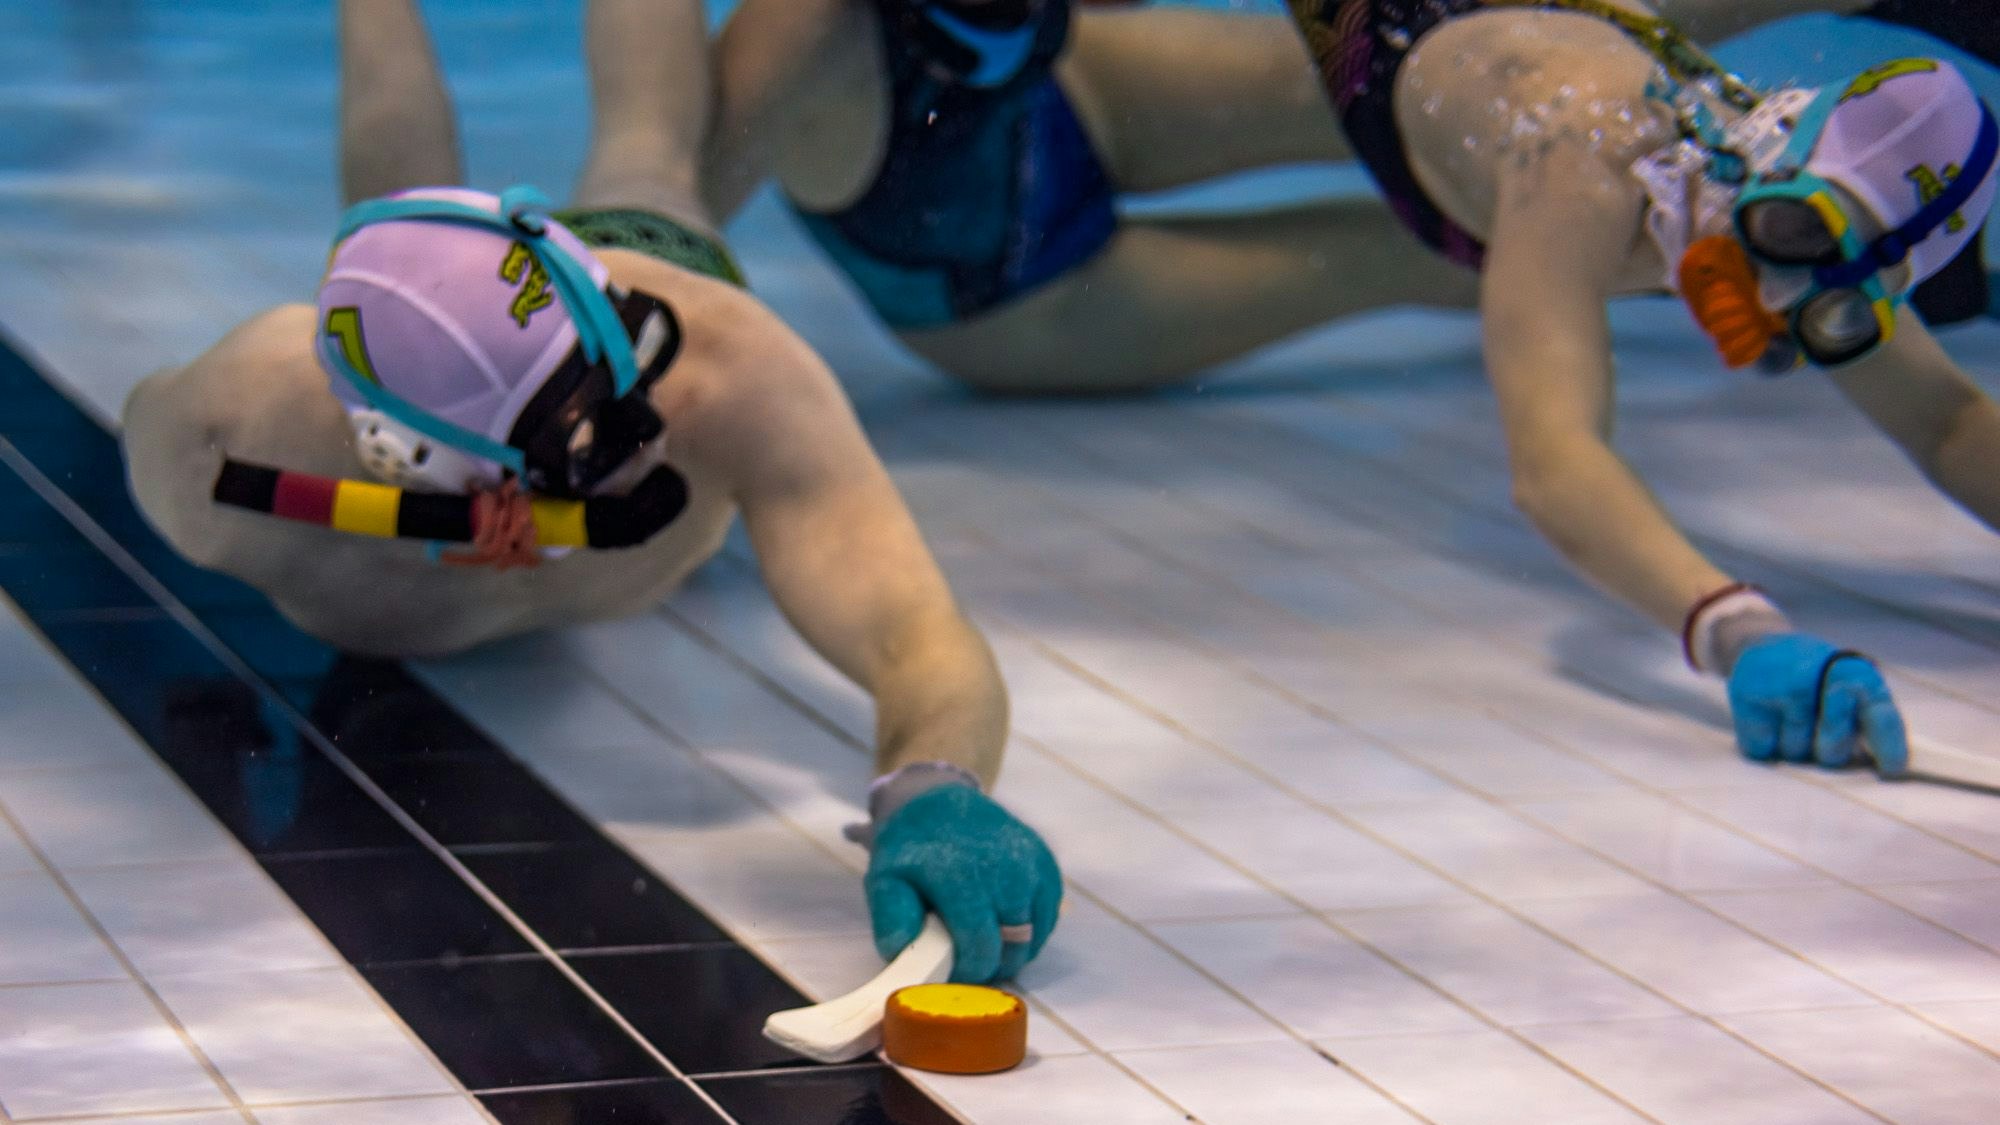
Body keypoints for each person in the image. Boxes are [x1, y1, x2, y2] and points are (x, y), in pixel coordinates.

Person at [120, 0, 1060, 986]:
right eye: (574, 442)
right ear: (401, 459)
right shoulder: (232, 443)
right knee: (402, 178)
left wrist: (935, 791)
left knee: (647, 161)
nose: (638, 443)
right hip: (372, 440)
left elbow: (912, 629)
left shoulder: (720, 367)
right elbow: (154, 435)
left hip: (634, 247)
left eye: (621, 368)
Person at [1283, 0, 2000, 771]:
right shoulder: (1577, 160)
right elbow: (1553, 462)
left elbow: (1946, 421)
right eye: (1788, 237)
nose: (1778, 296)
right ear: (1769, 137)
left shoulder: (1789, 209)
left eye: (1836, 311)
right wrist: (1739, 628)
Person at [707, 0, 1484, 393]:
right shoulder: (799, 28)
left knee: (1438, 80)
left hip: (1070, 92)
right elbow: (669, 210)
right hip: (1008, 295)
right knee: (1422, 255)